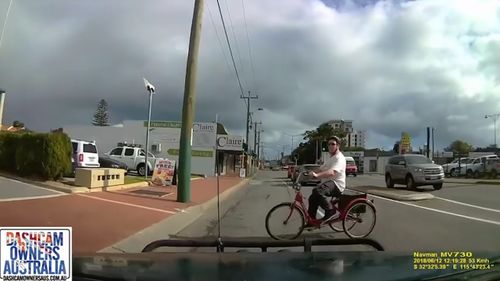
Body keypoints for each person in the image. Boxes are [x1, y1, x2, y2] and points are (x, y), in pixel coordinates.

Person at [306, 136, 346, 225]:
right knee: (313, 196)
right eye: (329, 144)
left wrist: (316, 175)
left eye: (333, 144)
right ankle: (311, 221)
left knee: (318, 191)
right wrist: (309, 173)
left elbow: (332, 172)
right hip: (330, 183)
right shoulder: (330, 158)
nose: (330, 146)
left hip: (337, 184)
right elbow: (321, 169)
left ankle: (330, 211)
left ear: (338, 146)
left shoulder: (339, 158)